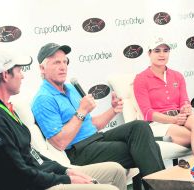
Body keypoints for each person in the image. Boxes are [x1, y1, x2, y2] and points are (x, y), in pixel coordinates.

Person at [0, 48, 127, 190]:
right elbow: (19, 176)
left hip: (43, 178)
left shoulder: (4, 109)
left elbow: (33, 157)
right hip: (35, 186)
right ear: (6, 75)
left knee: (116, 171)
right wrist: (66, 180)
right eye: (19, 70)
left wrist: (66, 170)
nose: (23, 75)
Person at [31, 42, 165, 190]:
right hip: (77, 152)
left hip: (96, 139)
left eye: (65, 61)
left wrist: (113, 111)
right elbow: (59, 142)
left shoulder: (69, 88)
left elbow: (90, 124)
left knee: (140, 126)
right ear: (42, 68)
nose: (63, 66)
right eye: (56, 62)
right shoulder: (43, 99)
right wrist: (82, 111)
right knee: (149, 149)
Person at [133, 37, 194, 155]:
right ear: (149, 53)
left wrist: (186, 107)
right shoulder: (141, 79)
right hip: (158, 122)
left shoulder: (177, 76)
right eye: (157, 50)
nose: (162, 54)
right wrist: (173, 120)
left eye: (165, 50)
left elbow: (184, 100)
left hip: (179, 117)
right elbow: (148, 113)